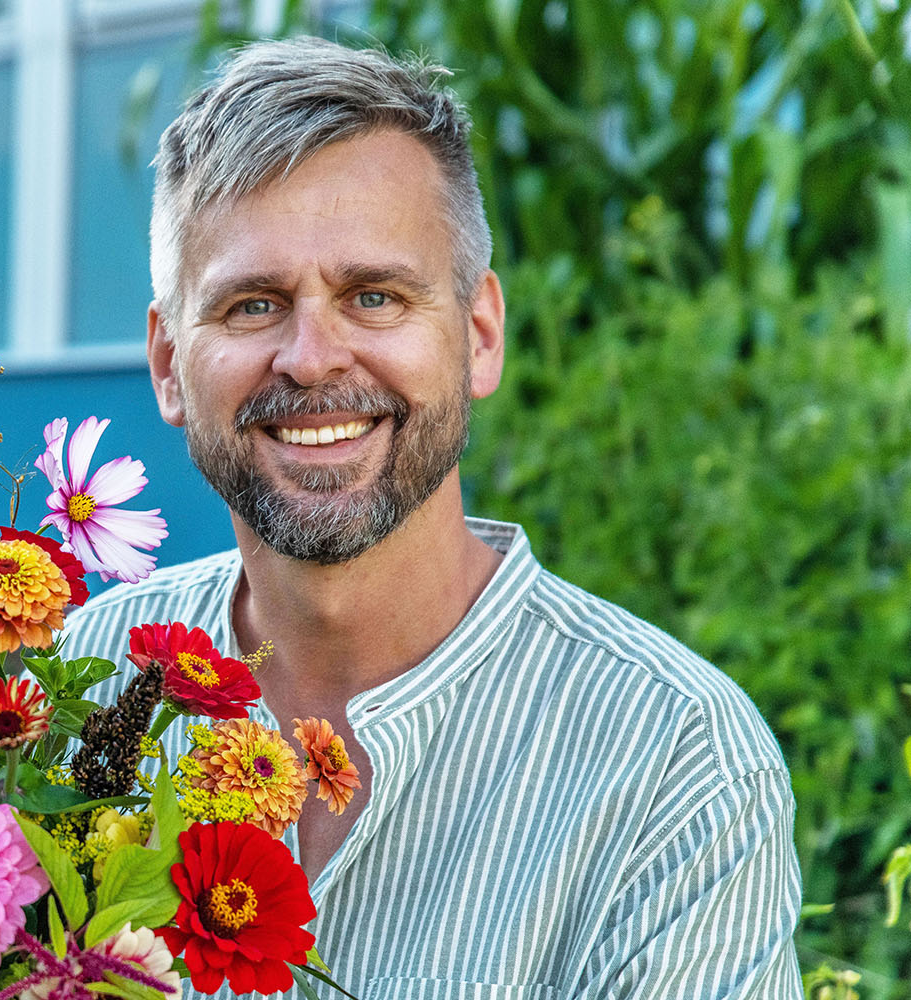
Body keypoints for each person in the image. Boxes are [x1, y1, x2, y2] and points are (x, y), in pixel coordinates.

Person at [63, 36, 804, 999]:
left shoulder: (669, 762)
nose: (312, 359)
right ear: (168, 364)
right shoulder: (70, 686)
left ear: (479, 336)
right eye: (252, 305)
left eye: (375, 296)